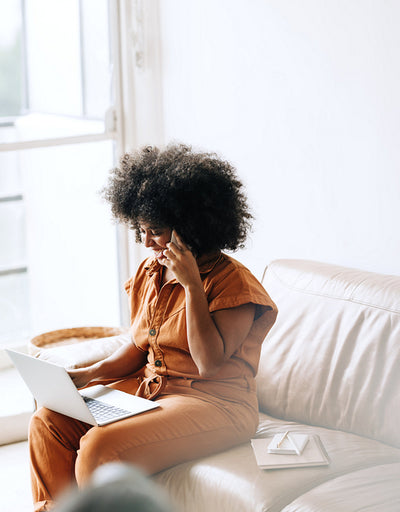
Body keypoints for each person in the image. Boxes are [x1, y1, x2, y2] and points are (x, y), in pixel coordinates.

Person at [29, 143, 278, 512]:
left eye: (155, 231)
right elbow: (138, 346)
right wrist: (88, 375)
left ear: (191, 228)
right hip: (154, 391)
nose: (145, 242)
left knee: (99, 447)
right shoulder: (152, 271)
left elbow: (209, 363)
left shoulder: (233, 284)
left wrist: (192, 285)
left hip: (217, 404)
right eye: (140, 229)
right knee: (49, 421)